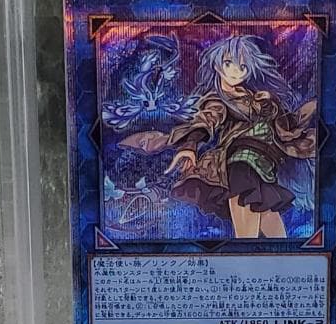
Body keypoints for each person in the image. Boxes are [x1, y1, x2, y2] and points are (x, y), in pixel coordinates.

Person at [120, 34, 316, 239]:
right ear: (217, 64)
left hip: (265, 162)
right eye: (229, 63)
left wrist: (273, 103)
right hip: (242, 157)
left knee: (265, 211)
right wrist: (190, 145)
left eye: (243, 67)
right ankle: (246, 253)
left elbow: (283, 124)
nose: (236, 71)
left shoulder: (254, 96)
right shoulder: (218, 99)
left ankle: (281, 257)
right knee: (248, 202)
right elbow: (208, 119)